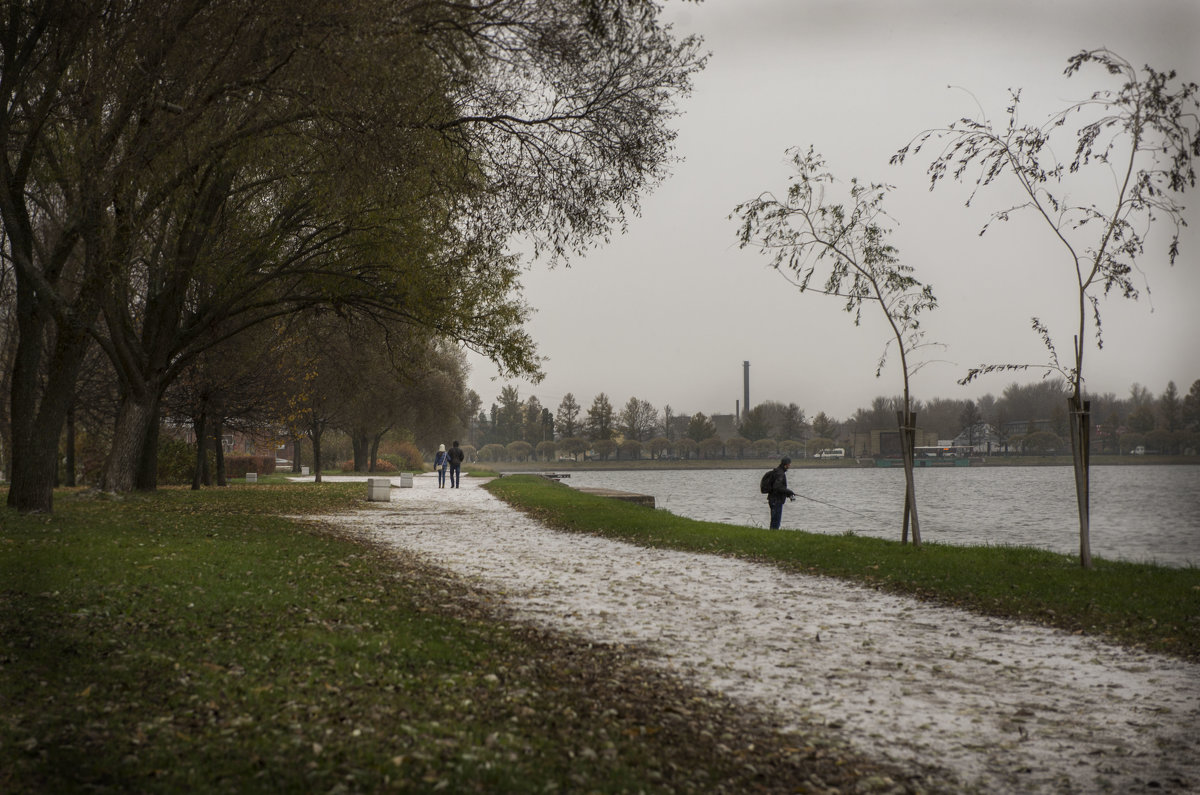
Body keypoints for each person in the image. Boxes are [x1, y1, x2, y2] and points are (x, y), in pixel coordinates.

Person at [766, 456, 796, 530]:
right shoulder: (780, 473)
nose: (789, 466)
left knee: (774, 520)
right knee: (776, 521)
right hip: (776, 500)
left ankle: (772, 533)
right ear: (786, 465)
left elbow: (778, 487)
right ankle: (774, 534)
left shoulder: (777, 471)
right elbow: (777, 487)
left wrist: (788, 494)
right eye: (789, 464)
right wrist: (789, 492)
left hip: (773, 499)